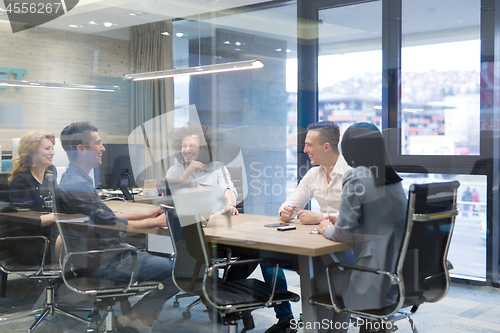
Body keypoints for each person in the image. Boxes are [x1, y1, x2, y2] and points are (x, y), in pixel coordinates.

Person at [57, 122, 179, 333]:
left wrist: (147, 213)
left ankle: (139, 318)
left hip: (104, 254)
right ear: (82, 149)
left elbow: (108, 217)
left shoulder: (77, 180)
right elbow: (112, 226)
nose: (103, 148)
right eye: (98, 143)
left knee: (177, 265)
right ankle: (135, 316)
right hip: (104, 260)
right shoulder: (77, 185)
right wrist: (156, 222)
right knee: (182, 271)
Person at [314, 123, 407, 333]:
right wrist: (339, 219)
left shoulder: (357, 176)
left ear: (350, 150)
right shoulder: (392, 179)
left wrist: (326, 228)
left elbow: (343, 233)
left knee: (319, 281)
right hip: (397, 278)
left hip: (371, 278)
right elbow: (379, 220)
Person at [263, 121, 352, 333]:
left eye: (309, 145)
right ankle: (285, 317)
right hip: (318, 242)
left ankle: (327, 322)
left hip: (344, 245)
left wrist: (321, 217)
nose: (305, 150)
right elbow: (291, 202)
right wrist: (286, 210)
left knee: (319, 274)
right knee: (266, 255)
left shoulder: (351, 173)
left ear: (326, 146)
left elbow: (354, 218)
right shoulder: (313, 174)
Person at [6, 131, 60, 264]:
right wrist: (59, 216)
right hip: (29, 241)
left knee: (82, 239)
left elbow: (57, 205)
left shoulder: (50, 175)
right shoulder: (21, 181)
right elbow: (27, 222)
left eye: (52, 149)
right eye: (47, 149)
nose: (52, 153)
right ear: (32, 152)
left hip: (49, 235)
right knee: (74, 245)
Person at [166, 122, 238, 215]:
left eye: (192, 146)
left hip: (216, 222)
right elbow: (172, 202)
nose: (187, 149)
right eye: (184, 146)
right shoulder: (174, 171)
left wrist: (230, 206)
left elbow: (228, 188)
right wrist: (187, 174)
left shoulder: (218, 168)